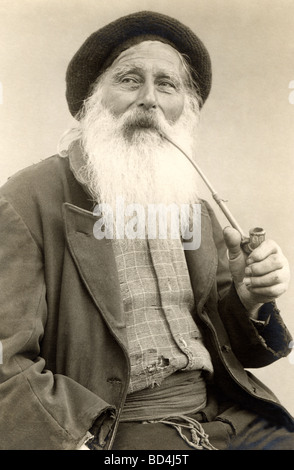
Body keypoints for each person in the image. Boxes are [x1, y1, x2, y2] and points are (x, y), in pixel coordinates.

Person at [0, 10, 293, 451]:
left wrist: (250, 298)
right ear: (91, 100)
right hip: (118, 431)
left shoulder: (191, 205)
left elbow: (237, 347)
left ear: (185, 107)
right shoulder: (28, 198)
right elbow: (6, 357)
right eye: (130, 80)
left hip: (226, 417)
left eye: (167, 84)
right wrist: (73, 440)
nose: (149, 99)